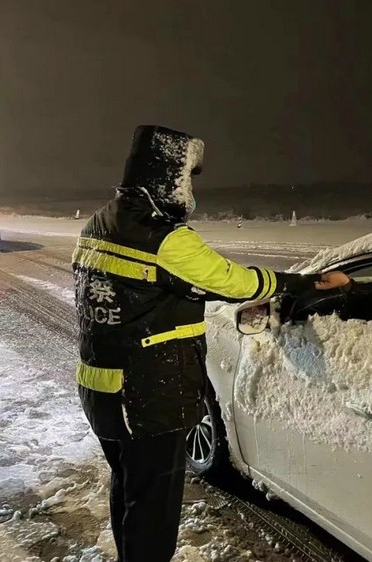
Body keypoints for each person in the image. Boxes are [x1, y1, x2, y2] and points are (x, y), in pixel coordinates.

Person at [72, 125, 350, 562]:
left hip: (101, 387)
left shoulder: (101, 221)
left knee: (129, 489)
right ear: (169, 178)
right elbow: (235, 282)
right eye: (188, 178)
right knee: (153, 511)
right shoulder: (164, 238)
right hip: (147, 396)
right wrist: (302, 284)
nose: (191, 190)